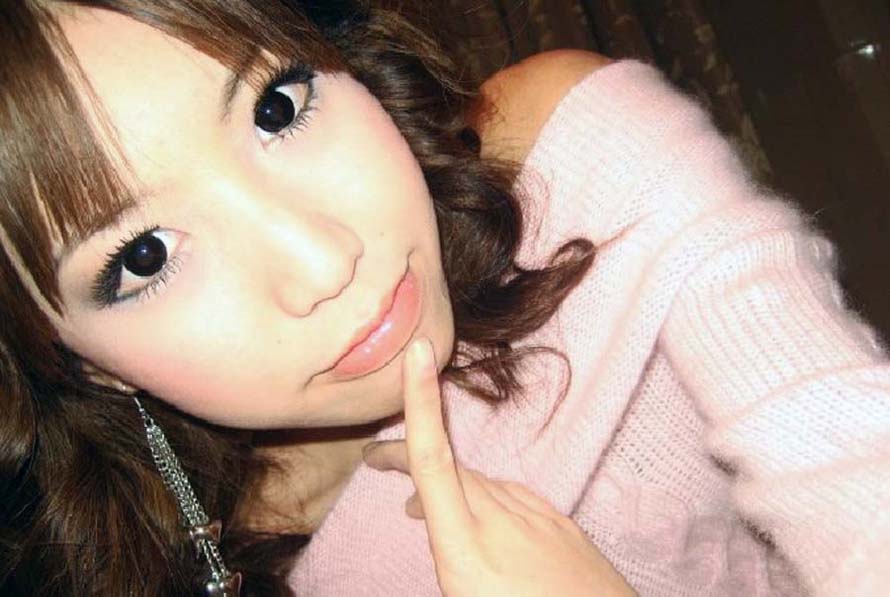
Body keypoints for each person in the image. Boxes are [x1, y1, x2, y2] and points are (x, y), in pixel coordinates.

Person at [1, 1, 889, 596]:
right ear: (73, 357)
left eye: (276, 108)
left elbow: (855, 468)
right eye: (145, 256)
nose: (324, 260)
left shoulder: (577, 169)